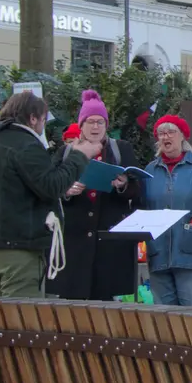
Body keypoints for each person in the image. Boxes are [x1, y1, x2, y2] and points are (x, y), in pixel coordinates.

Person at [0, 92, 102, 297]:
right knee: (23, 322)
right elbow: (52, 185)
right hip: (19, 247)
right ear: (33, 118)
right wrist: (79, 156)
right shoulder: (25, 145)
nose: (43, 126)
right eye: (43, 119)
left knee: (4, 321)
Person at [48, 90, 142, 301]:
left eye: (100, 122)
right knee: (74, 309)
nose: (95, 127)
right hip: (74, 245)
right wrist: (66, 190)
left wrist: (122, 185)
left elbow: (138, 190)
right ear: (81, 125)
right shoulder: (65, 152)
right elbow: (49, 187)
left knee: (106, 311)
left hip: (109, 245)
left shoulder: (121, 150)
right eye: (90, 121)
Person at [141, 114, 192, 307]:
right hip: (158, 252)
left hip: (189, 251)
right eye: (161, 133)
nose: (165, 137)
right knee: (164, 317)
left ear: (182, 136)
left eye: (171, 132)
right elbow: (143, 205)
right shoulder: (150, 170)